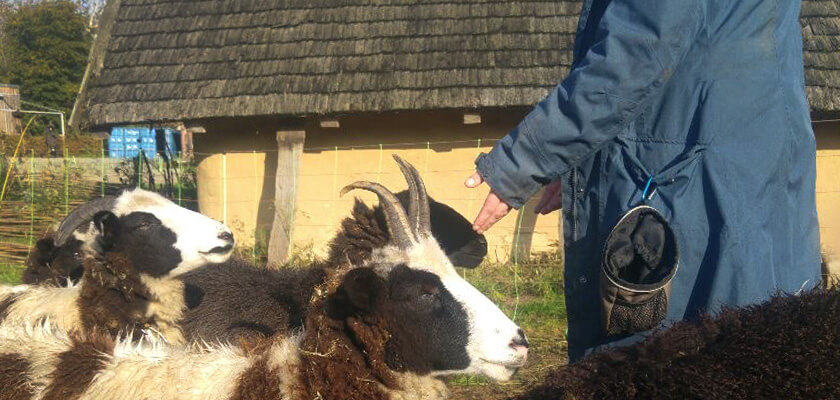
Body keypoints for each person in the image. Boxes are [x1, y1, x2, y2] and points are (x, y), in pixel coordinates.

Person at [465, 0, 822, 361]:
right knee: (763, 351)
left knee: (668, 366)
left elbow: (633, 58)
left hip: (686, 186)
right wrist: (583, 160)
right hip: (755, 169)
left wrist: (519, 162)